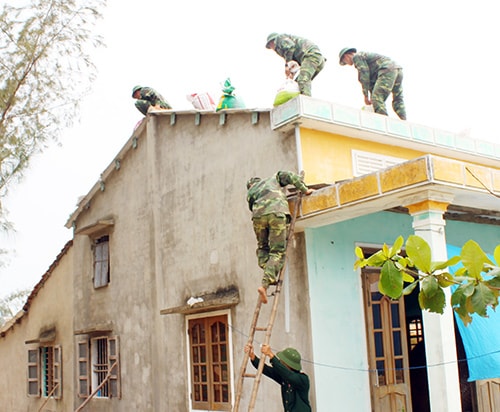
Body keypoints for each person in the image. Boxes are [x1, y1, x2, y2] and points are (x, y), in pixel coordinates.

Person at [246, 171, 314, 304]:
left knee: (262, 247)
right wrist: (305, 190)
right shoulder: (274, 178)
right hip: (276, 213)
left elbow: (252, 208)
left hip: (258, 217)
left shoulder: (251, 191)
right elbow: (290, 176)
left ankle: (268, 270)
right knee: (277, 251)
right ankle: (266, 282)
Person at [338, 48, 406, 120]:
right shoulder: (365, 57)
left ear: (346, 56)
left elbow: (364, 75)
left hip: (386, 69)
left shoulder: (356, 57)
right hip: (397, 69)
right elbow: (372, 83)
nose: (347, 64)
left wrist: (366, 96)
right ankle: (404, 121)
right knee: (398, 98)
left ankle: (383, 122)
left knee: (377, 98)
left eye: (345, 62)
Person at [245, 343, 312, 412]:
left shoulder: (302, 379)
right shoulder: (284, 377)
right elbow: (266, 369)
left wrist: (271, 355)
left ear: (288, 364)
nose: (280, 362)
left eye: (282, 362)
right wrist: (252, 356)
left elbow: (290, 376)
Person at [266, 33, 325, 97]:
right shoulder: (283, 48)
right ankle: (300, 100)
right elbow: (295, 62)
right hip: (317, 59)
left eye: (270, 45)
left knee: (302, 80)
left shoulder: (279, 38)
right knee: (298, 83)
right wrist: (291, 73)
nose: (271, 48)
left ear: (272, 42)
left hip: (311, 55)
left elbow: (291, 47)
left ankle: (305, 102)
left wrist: (287, 65)